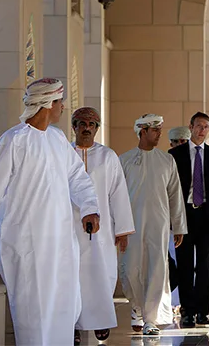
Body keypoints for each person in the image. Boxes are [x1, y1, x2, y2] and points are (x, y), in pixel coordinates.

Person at [0, 78, 100, 345]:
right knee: (32, 312)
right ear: (48, 104)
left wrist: (89, 208)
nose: (63, 108)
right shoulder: (14, 140)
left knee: (63, 306)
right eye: (60, 102)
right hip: (25, 243)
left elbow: (77, 177)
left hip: (60, 242)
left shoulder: (57, 138)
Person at [119, 114, 188, 335]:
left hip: (158, 224)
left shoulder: (167, 160)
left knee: (157, 269)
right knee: (130, 269)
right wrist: (117, 227)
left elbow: (175, 195)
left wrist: (178, 226)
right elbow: (116, 197)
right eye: (155, 130)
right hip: (130, 225)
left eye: (160, 129)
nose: (159, 134)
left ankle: (151, 319)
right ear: (142, 131)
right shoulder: (124, 160)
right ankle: (137, 308)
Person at [71, 107, 135, 343]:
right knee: (72, 276)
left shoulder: (108, 156)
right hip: (70, 229)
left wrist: (122, 230)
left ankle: (100, 321)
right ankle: (74, 325)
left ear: (97, 129)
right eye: (82, 123)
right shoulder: (65, 154)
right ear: (74, 126)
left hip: (102, 230)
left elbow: (118, 194)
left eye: (91, 124)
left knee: (102, 274)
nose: (86, 128)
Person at [169, 112, 209, 328]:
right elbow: (171, 190)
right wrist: (172, 219)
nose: (202, 130)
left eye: (206, 127)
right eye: (199, 126)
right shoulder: (175, 154)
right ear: (190, 127)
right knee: (184, 264)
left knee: (203, 265)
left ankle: (203, 312)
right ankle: (187, 311)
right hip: (183, 215)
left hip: (206, 215)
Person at [167, 126, 192, 314]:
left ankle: (185, 302)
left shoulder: (194, 160)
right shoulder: (166, 161)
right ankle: (172, 302)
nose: (181, 145)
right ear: (171, 144)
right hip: (168, 221)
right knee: (171, 261)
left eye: (184, 141)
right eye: (178, 142)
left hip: (190, 220)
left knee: (187, 263)